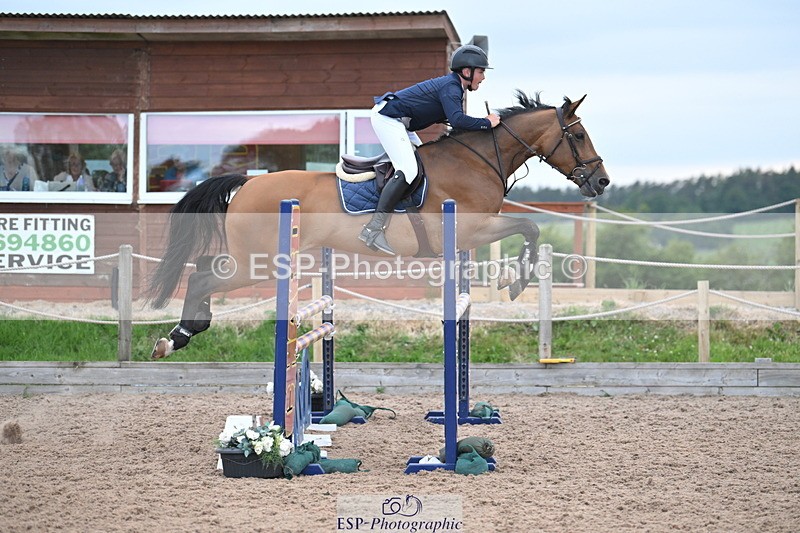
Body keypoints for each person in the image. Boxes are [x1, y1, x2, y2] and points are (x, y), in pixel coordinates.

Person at [358, 44, 501, 255]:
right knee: (409, 170)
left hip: (401, 123)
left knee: (422, 166)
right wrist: (487, 123)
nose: (483, 77)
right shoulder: (451, 87)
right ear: (467, 71)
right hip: (388, 118)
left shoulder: (454, 87)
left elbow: (455, 122)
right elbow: (458, 121)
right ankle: (373, 228)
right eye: (481, 72)